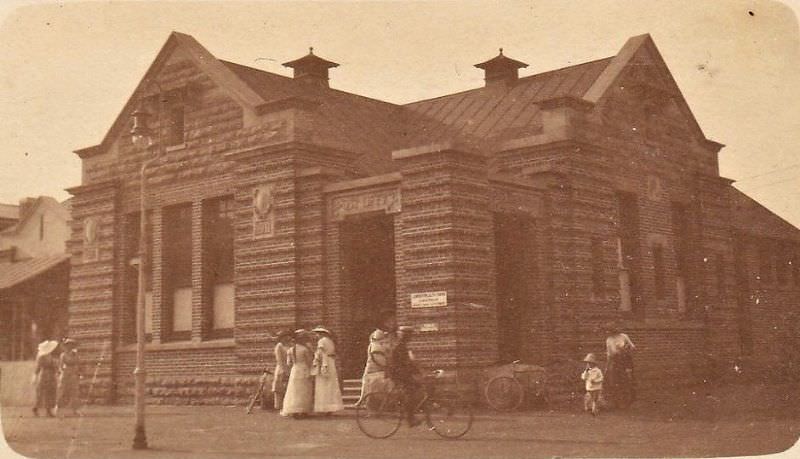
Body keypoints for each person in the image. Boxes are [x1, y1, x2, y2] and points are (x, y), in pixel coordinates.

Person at [356, 315, 397, 405]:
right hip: (375, 369)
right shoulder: (376, 345)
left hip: (375, 368)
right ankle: (365, 401)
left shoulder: (380, 344)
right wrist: (387, 365)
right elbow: (379, 359)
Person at [387, 325, 423, 427]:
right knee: (410, 391)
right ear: (405, 336)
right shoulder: (399, 346)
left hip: (401, 372)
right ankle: (410, 419)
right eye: (409, 335)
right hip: (397, 373)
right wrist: (415, 371)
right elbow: (404, 363)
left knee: (416, 387)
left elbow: (409, 363)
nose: (410, 338)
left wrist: (418, 370)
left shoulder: (402, 345)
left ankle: (409, 410)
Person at [280, 330, 314, 419]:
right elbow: (309, 361)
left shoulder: (290, 350)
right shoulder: (304, 349)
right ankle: (303, 410)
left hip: (295, 370)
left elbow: (288, 363)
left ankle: (293, 410)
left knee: (294, 390)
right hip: (303, 369)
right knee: (304, 390)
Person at [311, 326, 344, 415]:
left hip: (324, 362)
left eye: (318, 333)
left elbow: (320, 353)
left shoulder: (321, 341)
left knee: (323, 384)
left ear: (322, 333)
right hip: (330, 362)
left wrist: (316, 360)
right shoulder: (330, 341)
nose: (317, 335)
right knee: (330, 384)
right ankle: (331, 407)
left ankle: (324, 407)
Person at [604, 327, 636, 409]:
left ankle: (628, 401)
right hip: (615, 361)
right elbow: (609, 354)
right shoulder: (609, 340)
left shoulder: (624, 336)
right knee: (614, 381)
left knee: (626, 380)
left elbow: (633, 347)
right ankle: (616, 402)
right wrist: (607, 366)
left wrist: (625, 348)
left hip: (625, 360)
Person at [32, 340, 60, 417]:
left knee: (50, 392)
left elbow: (55, 367)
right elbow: (38, 368)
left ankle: (48, 410)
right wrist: (35, 376)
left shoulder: (50, 356)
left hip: (51, 375)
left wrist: (56, 369)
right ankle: (36, 407)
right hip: (44, 375)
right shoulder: (41, 357)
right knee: (41, 393)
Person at [56, 338, 82, 417]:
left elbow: (78, 363)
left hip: (73, 374)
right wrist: (62, 370)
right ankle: (57, 408)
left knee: (75, 392)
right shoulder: (63, 355)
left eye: (71, 345)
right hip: (65, 374)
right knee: (62, 391)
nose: (69, 347)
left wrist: (78, 373)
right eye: (68, 345)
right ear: (65, 346)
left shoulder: (75, 355)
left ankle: (75, 410)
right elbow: (60, 366)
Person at [271, 330, 292, 411]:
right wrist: (284, 369)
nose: (286, 338)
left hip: (289, 367)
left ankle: (287, 405)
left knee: (287, 387)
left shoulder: (290, 345)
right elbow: (279, 359)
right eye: (284, 336)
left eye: (287, 336)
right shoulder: (279, 346)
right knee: (279, 387)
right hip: (281, 368)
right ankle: (278, 406)